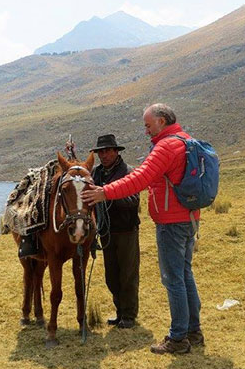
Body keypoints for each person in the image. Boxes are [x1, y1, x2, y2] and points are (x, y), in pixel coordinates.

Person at [81, 104, 204, 354]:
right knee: (185, 274)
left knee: (174, 280)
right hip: (189, 218)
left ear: (161, 121)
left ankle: (179, 338)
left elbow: (140, 179)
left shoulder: (167, 146)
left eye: (148, 125)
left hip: (171, 223)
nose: (146, 131)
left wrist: (105, 192)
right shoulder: (186, 140)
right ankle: (193, 330)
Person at [68, 134, 140, 329]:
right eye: (101, 152)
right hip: (107, 232)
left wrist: (107, 194)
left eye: (108, 151)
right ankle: (120, 312)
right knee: (112, 276)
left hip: (126, 231)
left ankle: (129, 315)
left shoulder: (128, 172)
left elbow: (133, 200)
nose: (104, 155)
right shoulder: (98, 173)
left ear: (116, 151)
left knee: (128, 274)